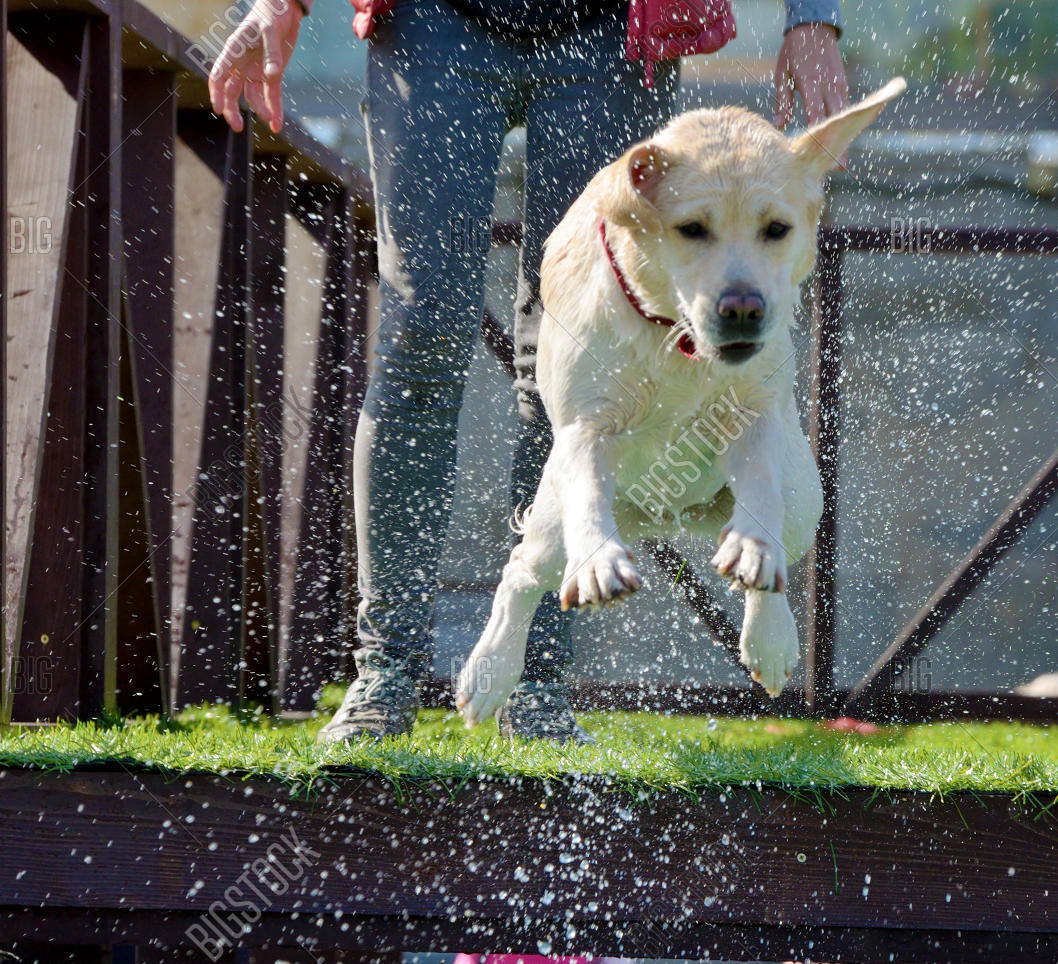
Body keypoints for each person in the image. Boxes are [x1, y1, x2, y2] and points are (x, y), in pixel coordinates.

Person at [210, 0, 849, 744]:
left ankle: (537, 685)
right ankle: (384, 672)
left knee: (563, 383)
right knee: (419, 339)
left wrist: (810, 15)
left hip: (613, 28)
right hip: (433, 19)